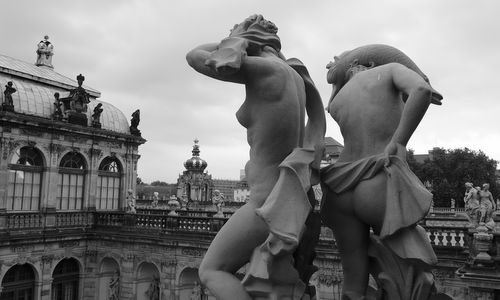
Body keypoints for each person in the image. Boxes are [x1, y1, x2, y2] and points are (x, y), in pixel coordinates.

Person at [186, 14, 325, 299]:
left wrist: (238, 39)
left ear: (249, 36)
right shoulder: (293, 76)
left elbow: (194, 56)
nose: (228, 38)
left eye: (232, 32)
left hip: (266, 203)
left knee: (211, 270)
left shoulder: (265, 70)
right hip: (295, 199)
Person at [320, 44, 443, 299]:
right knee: (412, 273)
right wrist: (399, 140)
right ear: (372, 64)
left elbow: (336, 103)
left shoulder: (337, 102)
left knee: (352, 284)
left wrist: (337, 81)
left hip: (337, 186)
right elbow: (421, 89)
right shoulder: (389, 70)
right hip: (376, 176)